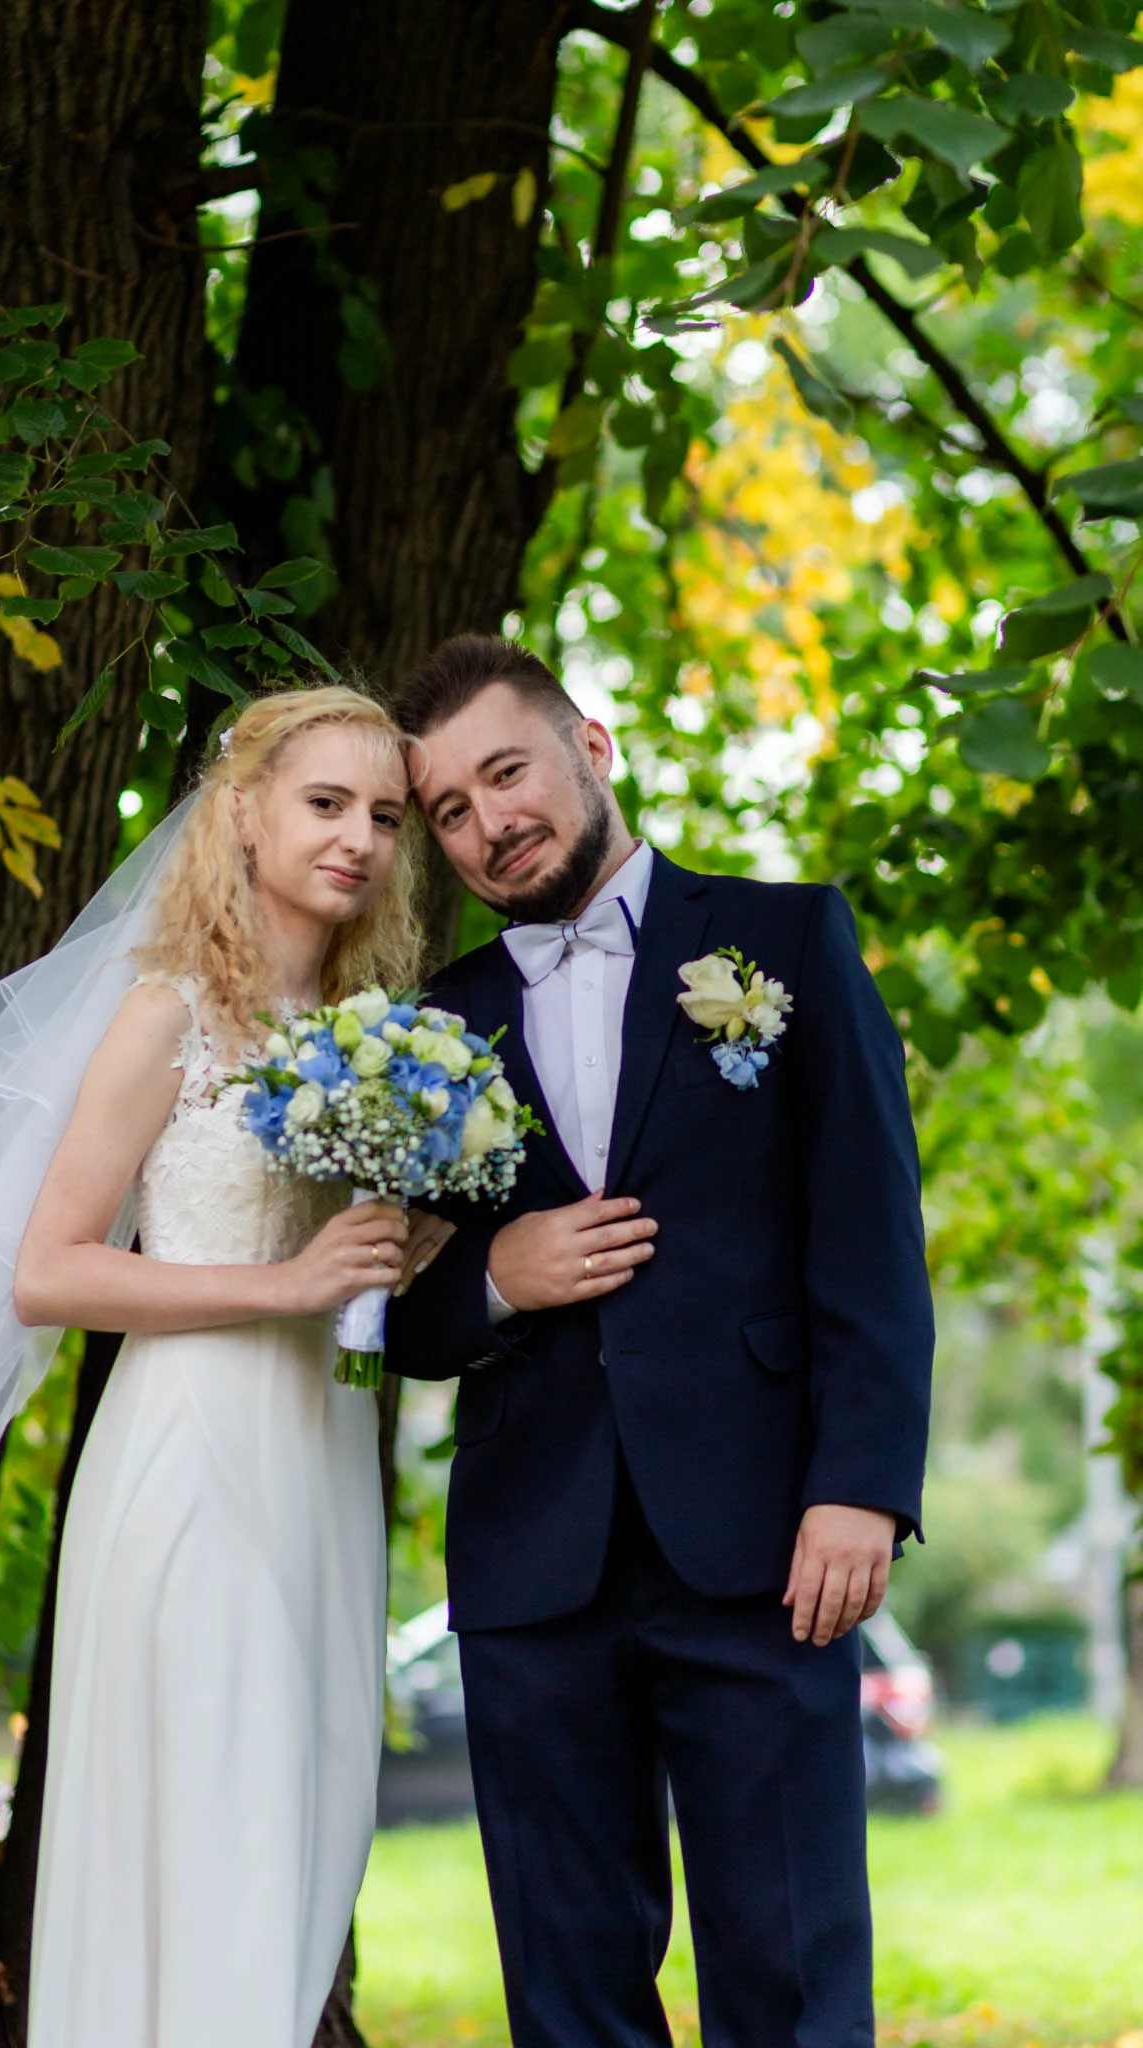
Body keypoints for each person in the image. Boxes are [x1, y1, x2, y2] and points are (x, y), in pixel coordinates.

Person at [0, 685, 434, 2048]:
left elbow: (353, 1267)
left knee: (310, 1811)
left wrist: (417, 1227)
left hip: (322, 1461)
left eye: (386, 817)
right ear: (244, 812)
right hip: (193, 1452)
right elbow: (49, 1270)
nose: (360, 840)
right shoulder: (169, 1011)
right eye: (327, 803)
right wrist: (286, 1285)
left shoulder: (371, 1032)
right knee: (211, 1816)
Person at [386, 635, 935, 2048]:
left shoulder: (785, 940)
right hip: (532, 1563)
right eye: (450, 809)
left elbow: (870, 1230)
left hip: (766, 1546)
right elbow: (388, 1313)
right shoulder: (430, 1028)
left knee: (791, 1971)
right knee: (567, 1995)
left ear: (592, 746)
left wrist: (861, 1485)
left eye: (507, 773)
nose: (490, 823)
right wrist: (494, 1277)